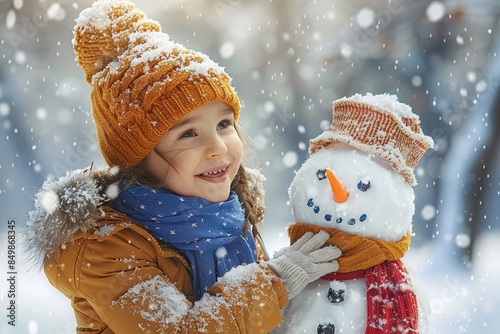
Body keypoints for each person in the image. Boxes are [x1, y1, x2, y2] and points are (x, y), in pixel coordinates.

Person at [24, 1, 341, 333]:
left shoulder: (228, 220)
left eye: (224, 124)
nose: (218, 147)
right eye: (188, 133)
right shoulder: (105, 246)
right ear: (139, 156)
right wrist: (274, 284)